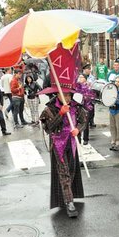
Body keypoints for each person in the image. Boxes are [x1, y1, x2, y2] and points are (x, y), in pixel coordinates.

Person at [39, 84, 88, 218]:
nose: (67, 97)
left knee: (71, 170)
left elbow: (83, 120)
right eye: (64, 94)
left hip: (71, 142)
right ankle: (69, 202)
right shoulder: (50, 108)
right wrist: (60, 113)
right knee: (64, 172)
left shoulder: (76, 106)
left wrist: (78, 129)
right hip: (58, 144)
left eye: (69, 95)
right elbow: (49, 128)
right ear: (57, 94)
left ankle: (66, 195)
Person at [83, 64, 96, 128]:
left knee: (92, 109)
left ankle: (91, 120)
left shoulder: (92, 77)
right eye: (88, 69)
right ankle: (85, 121)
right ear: (84, 69)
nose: (89, 70)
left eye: (90, 69)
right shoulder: (81, 76)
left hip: (90, 96)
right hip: (84, 96)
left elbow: (94, 85)